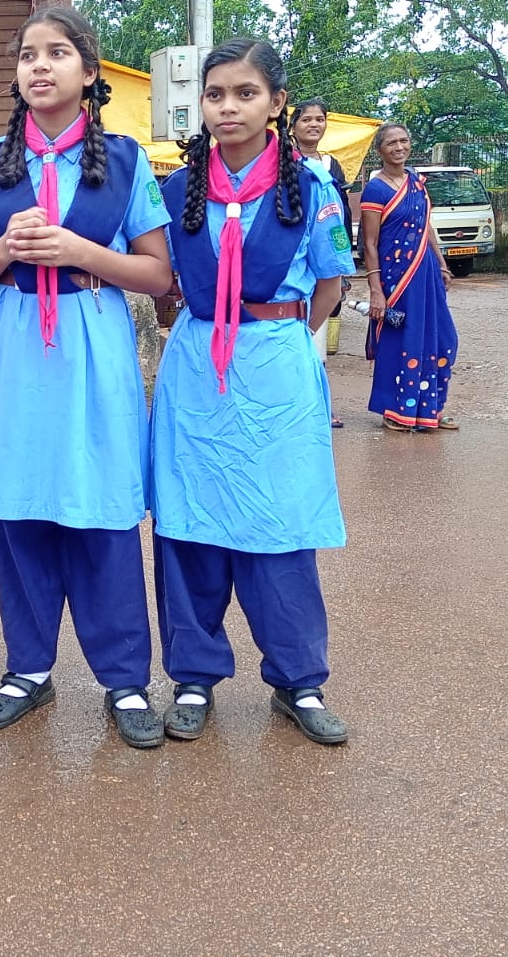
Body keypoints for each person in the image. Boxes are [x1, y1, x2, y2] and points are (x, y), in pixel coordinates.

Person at [0, 7, 173, 749]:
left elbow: (156, 274)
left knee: (102, 511)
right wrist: (6, 251)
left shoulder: (128, 162)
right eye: (28, 56)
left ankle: (124, 679)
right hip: (14, 352)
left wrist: (79, 247)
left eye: (57, 53)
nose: (40, 67)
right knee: (19, 512)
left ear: (89, 71)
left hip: (91, 347)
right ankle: (29, 669)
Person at [150, 38, 357, 747]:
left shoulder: (313, 185)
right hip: (196, 372)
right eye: (215, 95)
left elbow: (330, 285)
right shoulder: (177, 189)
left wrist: (290, 345)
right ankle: (193, 677)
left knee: (279, 527)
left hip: (275, 362)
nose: (228, 107)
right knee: (188, 524)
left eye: (245, 93)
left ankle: (298, 680)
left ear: (276, 102)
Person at [360, 121, 460, 432]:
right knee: (402, 340)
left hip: (425, 273)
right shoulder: (376, 188)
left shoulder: (416, 182)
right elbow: (370, 243)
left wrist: (442, 263)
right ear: (380, 150)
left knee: (442, 339)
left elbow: (425, 226)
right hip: (396, 279)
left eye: (403, 141)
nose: (399, 147)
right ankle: (395, 409)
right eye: (392, 143)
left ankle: (430, 407)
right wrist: (376, 289)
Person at [289, 99, 353, 426]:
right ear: (293, 125)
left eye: (320, 119)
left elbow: (340, 213)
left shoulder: (331, 165)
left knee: (319, 333)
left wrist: (341, 264)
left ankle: (320, 403)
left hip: (325, 256)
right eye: (307, 120)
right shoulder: (286, 161)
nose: (314, 125)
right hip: (298, 258)